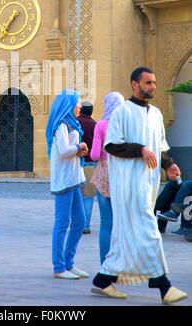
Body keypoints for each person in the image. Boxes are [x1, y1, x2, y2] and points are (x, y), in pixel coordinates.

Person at [91, 67, 188, 304]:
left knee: (126, 236)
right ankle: (163, 285)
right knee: (149, 230)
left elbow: (160, 146)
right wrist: (140, 150)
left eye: (154, 83)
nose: (152, 87)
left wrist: (168, 164)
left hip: (148, 184)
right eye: (147, 83)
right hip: (128, 186)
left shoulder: (155, 113)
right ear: (135, 85)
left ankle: (103, 280)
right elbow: (112, 146)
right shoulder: (122, 112)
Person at [46, 89, 89, 280]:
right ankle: (59, 267)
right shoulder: (61, 125)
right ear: (69, 105)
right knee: (62, 223)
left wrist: (79, 150)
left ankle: (68, 263)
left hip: (73, 179)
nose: (80, 105)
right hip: (64, 180)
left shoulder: (72, 123)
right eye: (78, 102)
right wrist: (79, 147)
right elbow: (63, 150)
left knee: (79, 221)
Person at [90, 92, 125, 265]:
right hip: (123, 177)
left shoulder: (101, 125)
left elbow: (95, 155)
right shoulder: (126, 125)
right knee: (122, 222)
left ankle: (105, 264)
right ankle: (120, 262)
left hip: (103, 176)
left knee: (106, 223)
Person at [77, 101, 97, 234]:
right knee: (88, 196)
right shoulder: (95, 124)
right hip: (91, 163)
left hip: (76, 162)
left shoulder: (75, 122)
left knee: (75, 195)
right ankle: (86, 226)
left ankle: (75, 224)